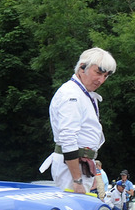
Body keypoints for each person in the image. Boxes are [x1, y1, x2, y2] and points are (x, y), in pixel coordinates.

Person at [39, 47, 116, 193]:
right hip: (72, 167)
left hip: (81, 165)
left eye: (105, 75)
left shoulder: (82, 94)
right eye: (98, 73)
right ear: (82, 68)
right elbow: (68, 138)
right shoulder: (71, 95)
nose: (101, 80)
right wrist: (77, 180)